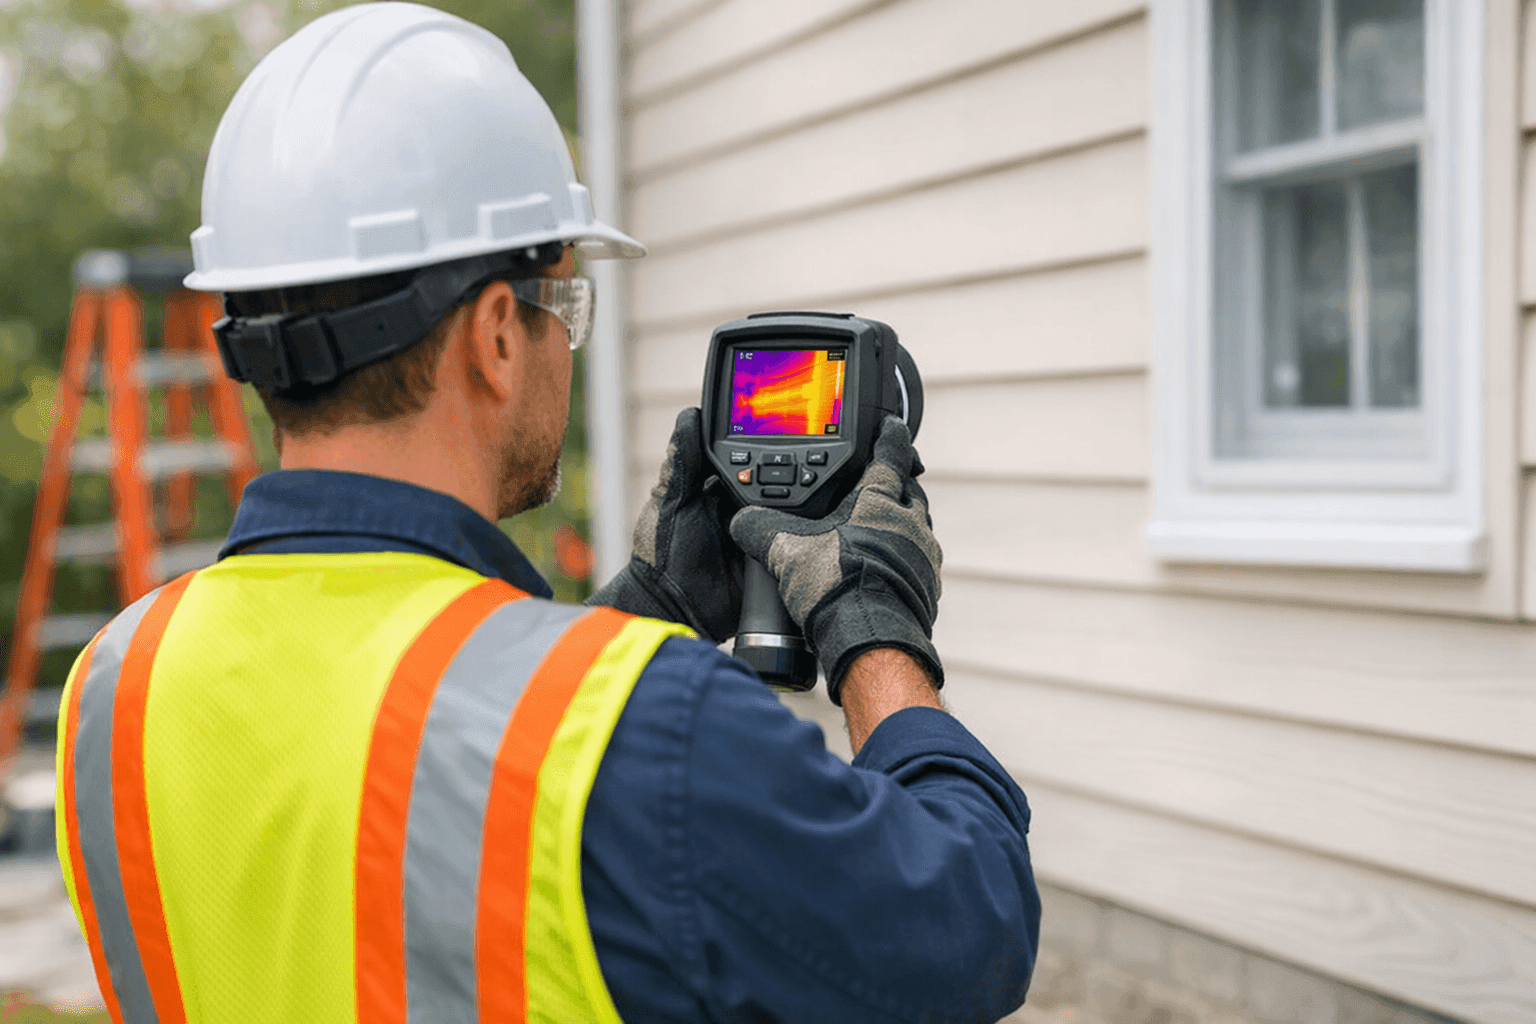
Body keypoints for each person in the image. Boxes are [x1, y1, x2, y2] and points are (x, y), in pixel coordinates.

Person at [54, 5, 1040, 1023]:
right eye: (564, 307)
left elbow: (419, 819)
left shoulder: (118, 683)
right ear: (493, 336)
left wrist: (644, 604)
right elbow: (966, 927)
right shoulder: (658, 731)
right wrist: (876, 632)